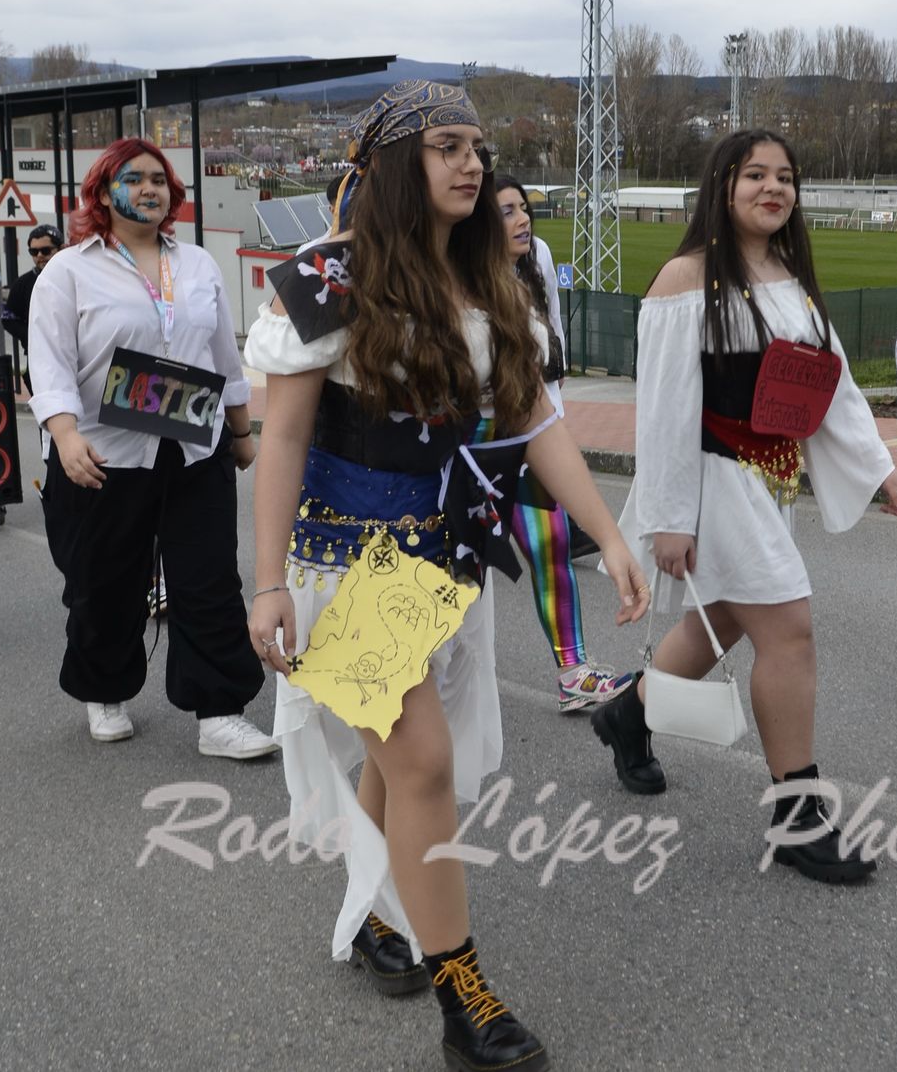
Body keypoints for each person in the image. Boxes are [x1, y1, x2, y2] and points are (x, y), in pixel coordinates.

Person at [245, 81, 649, 1072]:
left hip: (442, 562)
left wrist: (609, 529)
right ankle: (464, 1000)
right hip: (344, 563)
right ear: (391, 164)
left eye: (476, 147)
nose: (470, 164)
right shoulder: (323, 280)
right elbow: (283, 435)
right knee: (420, 762)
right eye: (444, 146)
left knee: (400, 764)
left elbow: (534, 421)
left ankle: (381, 915)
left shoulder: (489, 281)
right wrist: (262, 584)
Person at [591, 128, 897, 885]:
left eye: (785, 177)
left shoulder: (788, 275)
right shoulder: (684, 280)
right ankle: (798, 814)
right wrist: (670, 518)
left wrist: (878, 465)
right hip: (713, 480)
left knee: (732, 618)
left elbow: (823, 384)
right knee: (790, 628)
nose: (773, 188)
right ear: (723, 187)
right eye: (755, 176)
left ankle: (628, 716)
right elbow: (667, 410)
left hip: (770, 479)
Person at [28, 138, 272, 756]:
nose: (150, 190)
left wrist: (241, 434)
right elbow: (51, 367)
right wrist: (65, 435)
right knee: (105, 580)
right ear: (102, 191)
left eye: (159, 181)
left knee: (209, 578)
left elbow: (224, 358)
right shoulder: (68, 270)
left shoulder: (195, 264)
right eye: (133, 179)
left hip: (193, 446)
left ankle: (220, 711)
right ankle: (104, 689)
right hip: (106, 454)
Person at [491, 173, 634, 712]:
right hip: (468, 451)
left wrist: (555, 415)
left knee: (549, 546)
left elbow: (550, 341)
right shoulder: (454, 278)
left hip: (532, 432)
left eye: (522, 208)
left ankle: (573, 670)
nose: (522, 219)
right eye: (506, 212)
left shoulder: (540, 256)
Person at [1, 224, 61, 388]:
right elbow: (8, 319)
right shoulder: (23, 284)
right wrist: (32, 336)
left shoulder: (76, 277)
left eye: (46, 250)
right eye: (34, 252)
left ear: (61, 248)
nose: (40, 256)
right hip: (39, 359)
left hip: (76, 357)